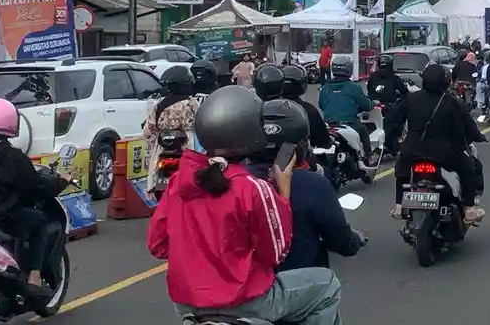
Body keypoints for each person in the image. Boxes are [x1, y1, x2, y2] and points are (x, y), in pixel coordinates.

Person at [147, 86, 344, 325]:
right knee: (327, 285)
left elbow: (157, 246)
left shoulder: (180, 181)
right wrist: (283, 191)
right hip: (246, 300)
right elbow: (276, 253)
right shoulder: (253, 188)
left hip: (186, 302)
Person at [0, 98, 70, 302]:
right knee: (38, 221)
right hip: (4, 220)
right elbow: (36, 188)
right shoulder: (13, 157)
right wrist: (61, 183)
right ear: (11, 123)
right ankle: (34, 278)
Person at [249, 99, 366, 270]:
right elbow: (340, 240)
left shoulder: (235, 179)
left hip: (243, 285)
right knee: (329, 285)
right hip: (296, 283)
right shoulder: (312, 184)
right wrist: (354, 241)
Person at [385, 64, 487, 223]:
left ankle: (399, 205)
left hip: (412, 150)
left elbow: (391, 121)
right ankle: (469, 209)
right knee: (469, 168)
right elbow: (469, 126)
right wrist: (478, 136)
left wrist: (393, 141)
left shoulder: (411, 99)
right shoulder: (453, 102)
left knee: (402, 172)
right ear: (446, 81)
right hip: (444, 153)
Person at [142, 65, 200, 195]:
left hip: (162, 149)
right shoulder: (192, 104)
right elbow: (202, 122)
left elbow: (148, 132)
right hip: (189, 149)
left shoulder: (159, 105)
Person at [317, 56, 374, 163]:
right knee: (364, 132)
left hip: (329, 124)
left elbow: (321, 105)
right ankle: (369, 156)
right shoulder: (353, 87)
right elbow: (366, 105)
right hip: (350, 124)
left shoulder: (325, 88)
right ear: (349, 69)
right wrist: (374, 103)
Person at [282, 65, 331, 150]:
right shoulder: (309, 110)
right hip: (302, 158)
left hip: (270, 159)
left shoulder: (265, 108)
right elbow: (323, 142)